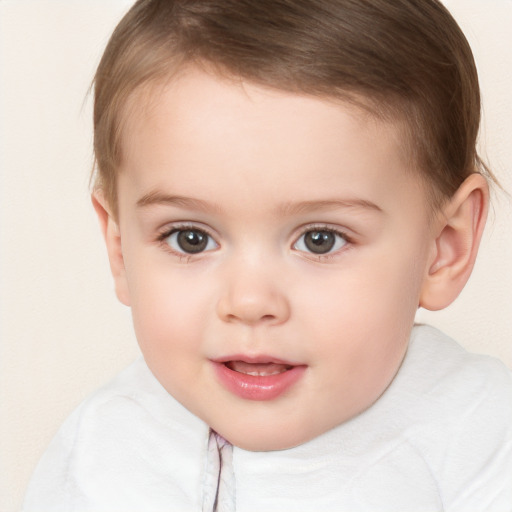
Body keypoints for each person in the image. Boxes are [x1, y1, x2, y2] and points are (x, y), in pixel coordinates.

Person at [23, 0, 512, 510]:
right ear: (120, 248)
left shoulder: (482, 439)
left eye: (320, 239)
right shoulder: (100, 449)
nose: (250, 301)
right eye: (190, 238)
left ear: (443, 247)